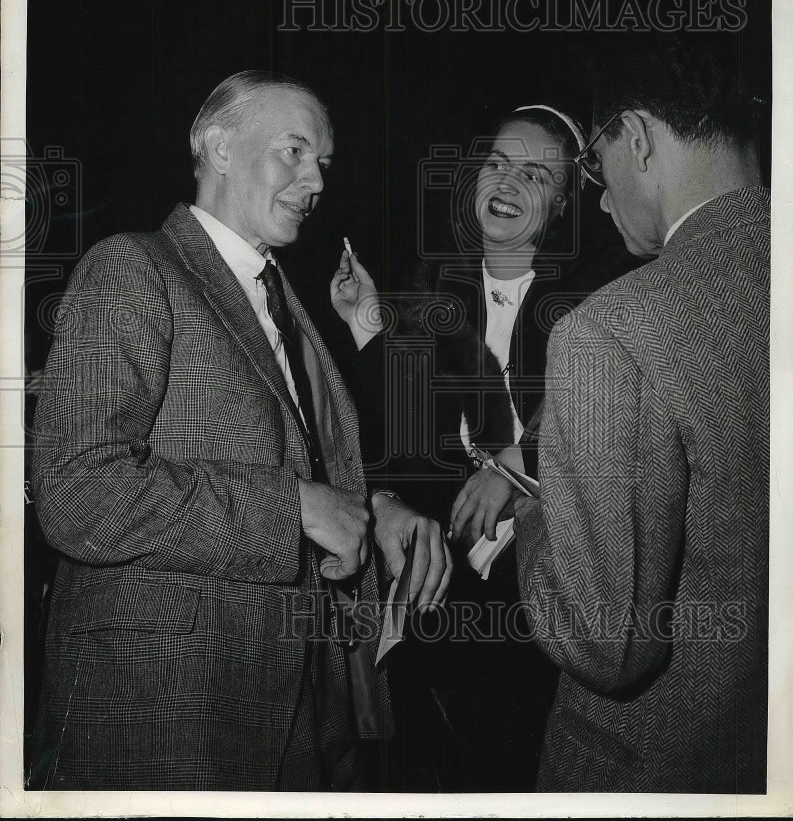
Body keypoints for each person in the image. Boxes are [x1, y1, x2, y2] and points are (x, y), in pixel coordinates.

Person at [29, 70, 450, 791]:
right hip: (168, 716)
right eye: (294, 151)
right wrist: (292, 510)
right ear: (219, 147)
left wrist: (374, 507)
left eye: (322, 163)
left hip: (301, 715)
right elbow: (75, 491)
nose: (314, 179)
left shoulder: (283, 296)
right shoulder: (132, 268)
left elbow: (304, 458)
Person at [461, 39, 769, 792]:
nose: (602, 199)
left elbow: (606, 642)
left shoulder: (607, 327)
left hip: (652, 769)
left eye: (587, 170)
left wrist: (531, 512)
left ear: (634, 138)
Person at [331, 104, 635, 790]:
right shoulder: (432, 287)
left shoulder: (599, 301)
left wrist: (516, 465)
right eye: (497, 163)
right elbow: (402, 444)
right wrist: (366, 325)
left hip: (543, 603)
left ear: (562, 205)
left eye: (534, 175)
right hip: (441, 587)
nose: (507, 182)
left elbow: (612, 424)